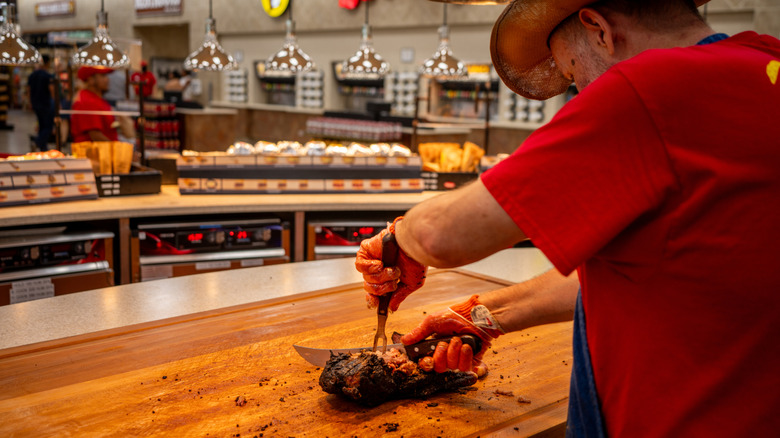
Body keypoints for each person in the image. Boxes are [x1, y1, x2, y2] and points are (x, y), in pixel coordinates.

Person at [354, 0, 780, 436]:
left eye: (574, 75)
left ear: (599, 30)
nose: (580, 93)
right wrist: (484, 316)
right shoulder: (767, 66)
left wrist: (400, 238)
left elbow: (442, 235)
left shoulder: (649, 90)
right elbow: (658, 268)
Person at [70, 66, 119, 142]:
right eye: (103, 76)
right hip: (94, 152)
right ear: (91, 80)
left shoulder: (97, 99)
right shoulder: (87, 101)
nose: (107, 79)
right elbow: (95, 135)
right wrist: (118, 149)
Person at [27, 54, 55, 151]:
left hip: (36, 104)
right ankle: (37, 142)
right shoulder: (47, 76)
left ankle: (43, 148)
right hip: (46, 104)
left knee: (42, 125)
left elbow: (29, 90)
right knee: (48, 126)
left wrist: (30, 102)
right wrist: (56, 101)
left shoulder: (33, 75)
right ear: (47, 63)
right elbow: (51, 89)